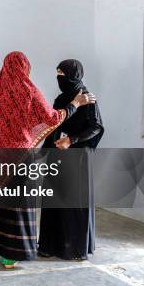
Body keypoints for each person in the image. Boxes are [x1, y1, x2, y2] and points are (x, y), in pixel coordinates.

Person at [0, 52, 95, 269]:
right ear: (25, 68)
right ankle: (9, 256)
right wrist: (75, 105)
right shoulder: (28, 90)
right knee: (15, 207)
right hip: (20, 158)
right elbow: (51, 118)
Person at [38, 59, 104, 260]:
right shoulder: (61, 99)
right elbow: (53, 125)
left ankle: (75, 248)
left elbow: (96, 127)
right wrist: (44, 152)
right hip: (58, 154)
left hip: (77, 155)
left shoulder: (87, 97)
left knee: (74, 202)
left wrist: (71, 140)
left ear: (74, 75)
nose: (59, 78)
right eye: (57, 73)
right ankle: (49, 245)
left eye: (63, 73)